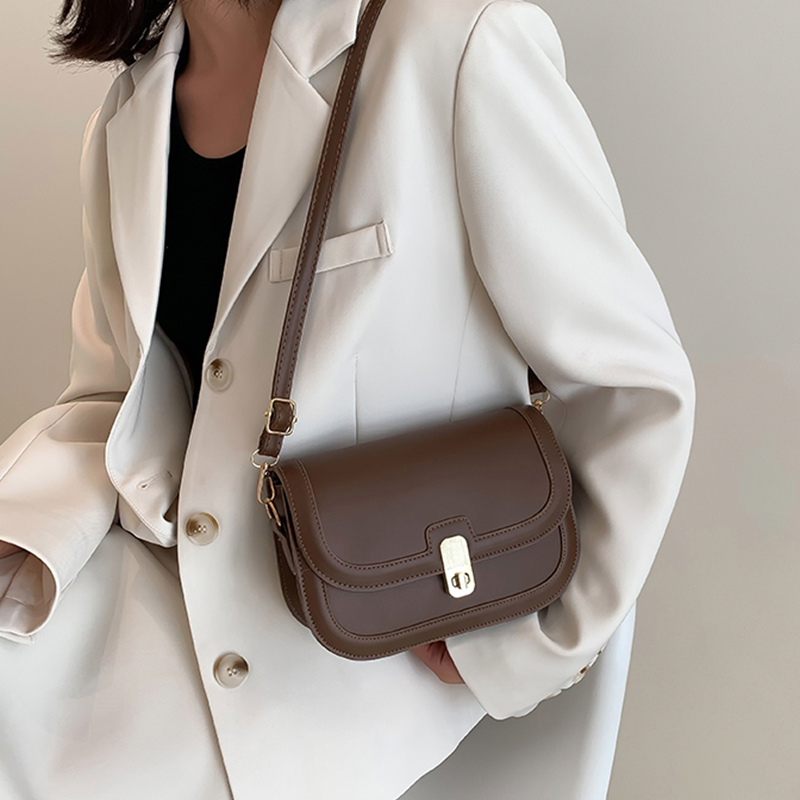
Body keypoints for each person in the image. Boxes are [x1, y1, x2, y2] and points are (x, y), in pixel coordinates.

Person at [0, 0, 695, 798]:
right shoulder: (127, 117)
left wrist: (526, 651)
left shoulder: (452, 43)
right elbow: (112, 401)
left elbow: (631, 384)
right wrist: (24, 528)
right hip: (155, 606)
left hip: (369, 639)